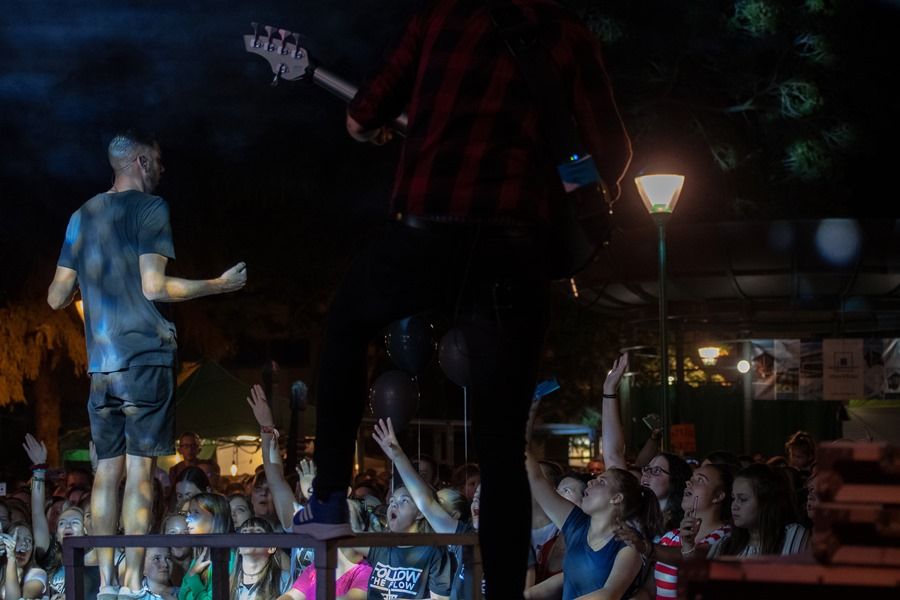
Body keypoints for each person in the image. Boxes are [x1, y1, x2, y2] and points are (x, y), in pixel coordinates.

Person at [293, 4, 631, 600]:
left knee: (346, 326)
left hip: (428, 229)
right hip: (516, 248)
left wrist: (381, 127)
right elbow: (612, 153)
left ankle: (327, 499)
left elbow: (363, 114)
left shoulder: (442, 13)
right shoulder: (569, 32)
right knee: (502, 448)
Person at [47, 129, 247, 600]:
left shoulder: (81, 215)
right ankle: (133, 582)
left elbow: (56, 297)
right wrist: (218, 285)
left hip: (102, 367)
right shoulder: (150, 208)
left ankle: (107, 582)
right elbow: (155, 286)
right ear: (139, 161)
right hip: (144, 359)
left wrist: (95, 293)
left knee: (106, 472)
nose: (162, 168)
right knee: (139, 472)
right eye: (157, 160)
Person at [708, 464, 809, 558]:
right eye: (733, 498)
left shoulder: (792, 534)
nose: (734, 506)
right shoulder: (725, 543)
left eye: (743, 499)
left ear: (766, 502)